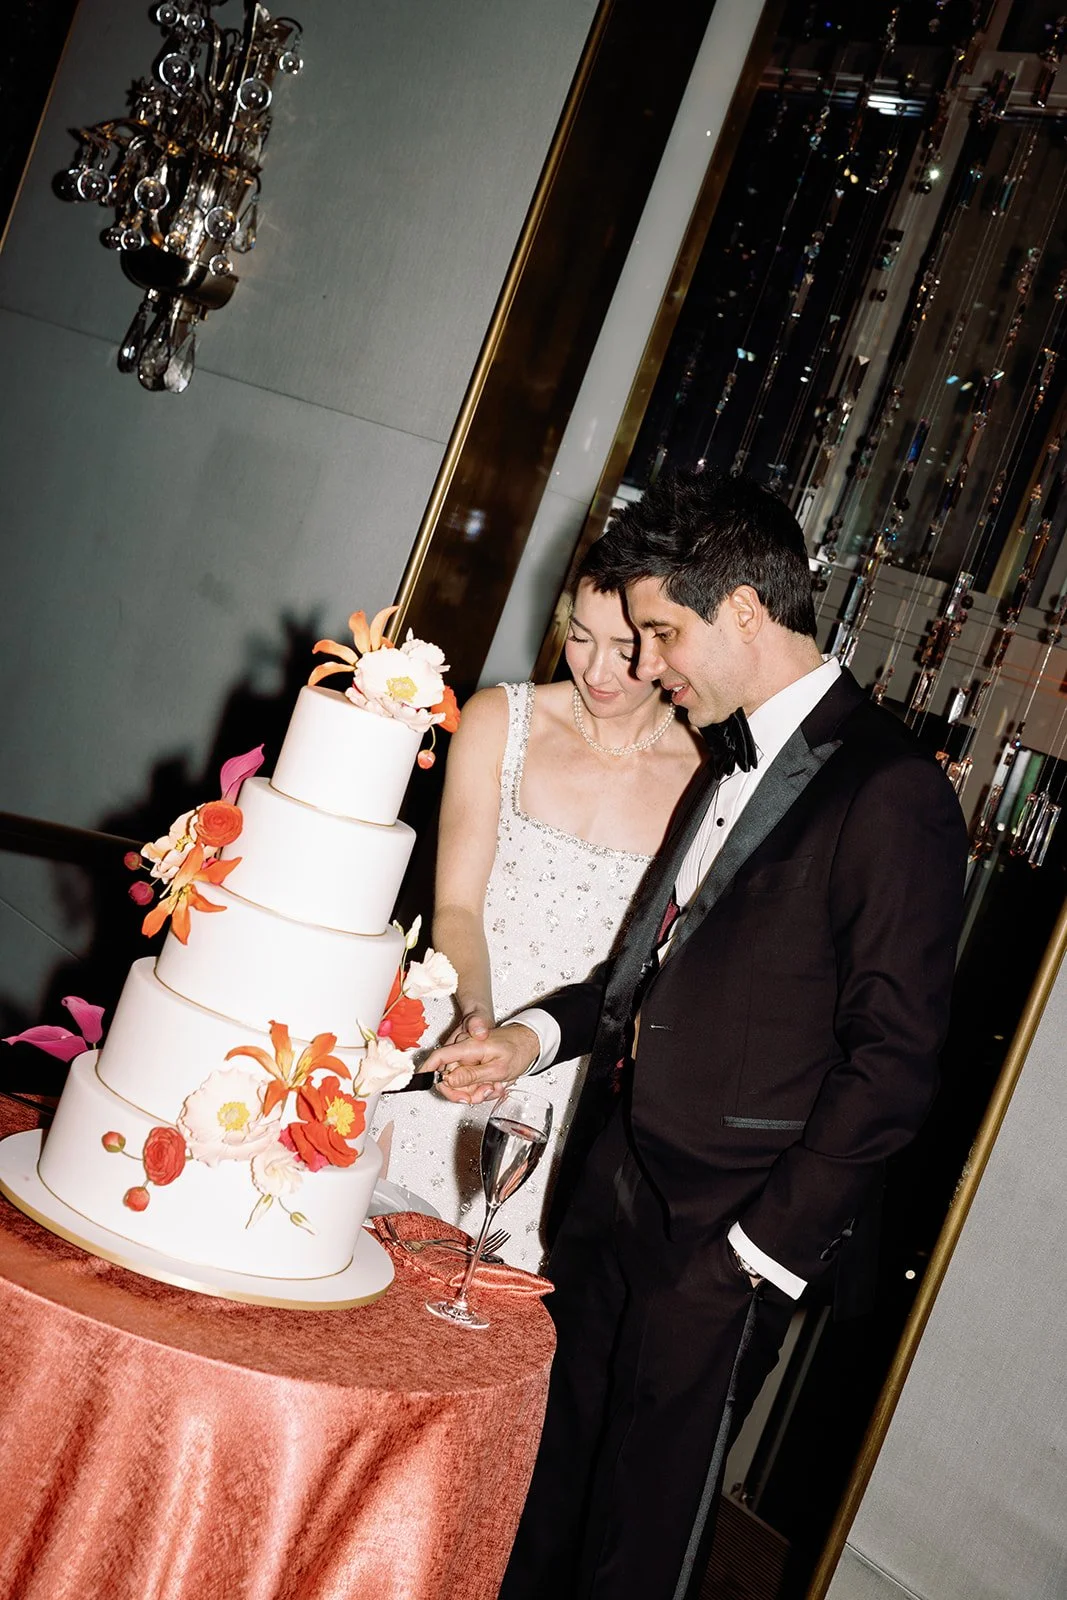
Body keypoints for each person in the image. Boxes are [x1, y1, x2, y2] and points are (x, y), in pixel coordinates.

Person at [428, 469, 969, 1600]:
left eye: (664, 631)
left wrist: (753, 1257)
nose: (651, 663)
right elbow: (641, 975)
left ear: (740, 612)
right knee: (544, 1505)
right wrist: (528, 1038)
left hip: (721, 1244)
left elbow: (893, 1069)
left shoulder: (889, 789)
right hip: (605, 1203)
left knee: (636, 1553)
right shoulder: (724, 755)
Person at [374, 553, 704, 1269]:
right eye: (579, 636)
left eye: (624, 649)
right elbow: (456, 904)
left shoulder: (704, 776)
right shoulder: (499, 718)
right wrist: (475, 1014)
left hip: (572, 1080)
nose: (595, 670)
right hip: (459, 1026)